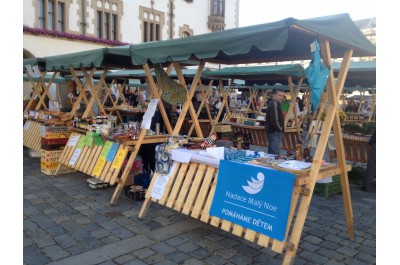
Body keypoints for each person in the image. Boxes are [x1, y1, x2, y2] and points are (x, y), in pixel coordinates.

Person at [133, 99, 162, 173]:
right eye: (144, 105)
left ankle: (152, 171)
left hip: (151, 138)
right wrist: (141, 113)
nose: (145, 107)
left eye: (147, 106)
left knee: (151, 157)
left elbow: (154, 124)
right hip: (142, 138)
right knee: (144, 156)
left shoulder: (156, 114)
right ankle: (145, 172)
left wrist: (148, 114)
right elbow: (136, 120)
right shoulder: (140, 114)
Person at [264, 89, 285, 155]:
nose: (282, 97)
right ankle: (272, 164)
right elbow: (275, 119)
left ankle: (270, 164)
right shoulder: (274, 104)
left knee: (272, 152)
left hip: (273, 131)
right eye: (280, 95)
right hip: (275, 132)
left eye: (282, 96)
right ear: (274, 95)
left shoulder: (273, 103)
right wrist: (280, 129)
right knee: (274, 153)